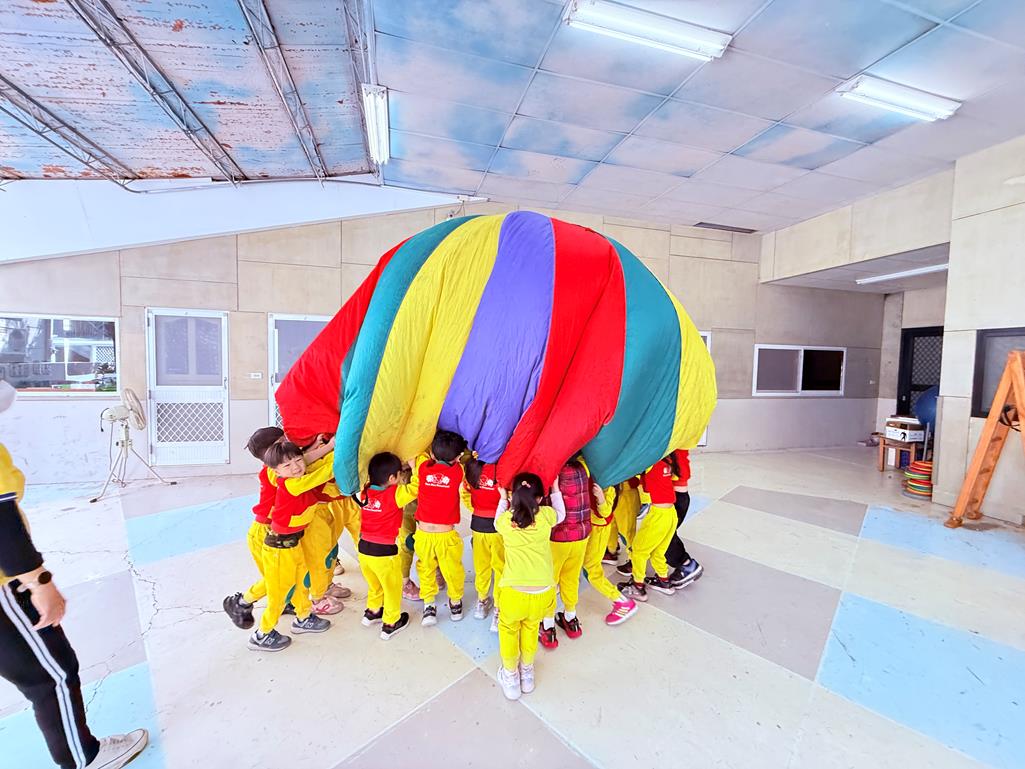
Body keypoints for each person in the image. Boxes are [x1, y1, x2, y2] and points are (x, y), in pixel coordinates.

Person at [0, 380, 148, 769]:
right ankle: (84, 757)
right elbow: (1, 521)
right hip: (5, 588)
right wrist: (38, 581)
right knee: (51, 675)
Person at [248, 442, 333, 652]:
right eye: (287, 465)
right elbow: (323, 474)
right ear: (276, 471)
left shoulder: (300, 479)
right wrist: (342, 453)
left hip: (293, 544)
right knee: (279, 594)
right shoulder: (292, 484)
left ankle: (303, 617)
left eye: (298, 460)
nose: (296, 467)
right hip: (279, 549)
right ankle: (262, 634)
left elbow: (314, 468)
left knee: (300, 583)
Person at [493, 472, 565, 701]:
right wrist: (556, 489)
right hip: (543, 592)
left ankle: (511, 677)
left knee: (508, 631)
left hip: (514, 593)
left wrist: (502, 499)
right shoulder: (546, 516)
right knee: (531, 628)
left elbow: (496, 521)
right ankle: (527, 673)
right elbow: (561, 514)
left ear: (512, 496)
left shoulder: (506, 521)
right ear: (540, 498)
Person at [356, 452, 424, 640]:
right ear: (392, 478)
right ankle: (391, 622)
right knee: (392, 588)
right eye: (400, 474)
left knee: (374, 584)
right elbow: (416, 487)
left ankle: (373, 611)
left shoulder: (365, 492)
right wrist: (414, 466)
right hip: (384, 553)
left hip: (363, 550)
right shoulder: (394, 494)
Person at [414, 429, 467, 626]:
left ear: (432, 454)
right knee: (453, 569)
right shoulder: (457, 472)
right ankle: (455, 602)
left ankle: (429, 605)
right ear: (458, 458)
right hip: (447, 535)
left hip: (423, 534)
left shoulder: (423, 468)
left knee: (425, 569)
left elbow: (415, 456)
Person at [540, 457, 592, 647]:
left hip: (558, 538)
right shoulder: (583, 468)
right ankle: (571, 618)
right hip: (581, 535)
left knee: (550, 581)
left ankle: (547, 626)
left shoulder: (551, 471)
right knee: (571, 578)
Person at [617, 456, 678, 602]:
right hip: (671, 513)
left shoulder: (651, 462)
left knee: (638, 551)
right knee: (658, 552)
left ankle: (638, 586)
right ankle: (664, 581)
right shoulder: (668, 461)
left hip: (658, 515)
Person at [581, 482, 638, 625]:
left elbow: (605, 512)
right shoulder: (599, 478)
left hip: (598, 531)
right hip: (591, 527)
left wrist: (600, 497)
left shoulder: (608, 485)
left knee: (591, 570)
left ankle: (621, 601)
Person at [462, 456, 503, 632]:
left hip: (478, 525)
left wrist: (475, 509)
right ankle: (498, 610)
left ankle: (482, 601)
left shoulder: (472, 468)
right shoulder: (504, 469)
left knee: (482, 566)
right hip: (499, 526)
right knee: (500, 568)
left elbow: (464, 493)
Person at [665, 449, 702, 588]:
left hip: (675, 498)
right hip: (677, 497)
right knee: (665, 533)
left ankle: (686, 565)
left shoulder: (673, 446)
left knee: (664, 535)